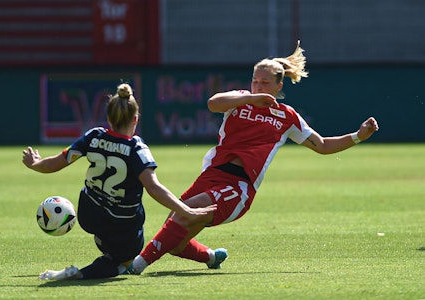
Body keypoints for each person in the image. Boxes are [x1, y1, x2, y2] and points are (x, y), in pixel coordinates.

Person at [128, 41, 379, 275]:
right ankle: (211, 258)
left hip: (239, 187)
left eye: (265, 83)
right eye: (255, 81)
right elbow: (213, 103)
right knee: (174, 238)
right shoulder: (240, 99)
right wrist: (249, 97)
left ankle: (136, 265)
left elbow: (322, 145)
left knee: (187, 212)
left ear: (279, 86)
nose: (258, 87)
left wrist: (358, 136)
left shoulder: (287, 116)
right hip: (212, 176)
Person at [22, 83, 216, 281]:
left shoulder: (93, 136)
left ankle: (105, 243)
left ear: (108, 118)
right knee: (124, 262)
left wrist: (35, 164)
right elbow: (154, 188)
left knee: (103, 220)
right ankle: (81, 273)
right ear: (135, 119)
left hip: (88, 214)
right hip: (121, 223)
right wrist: (187, 210)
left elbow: (57, 162)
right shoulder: (136, 148)